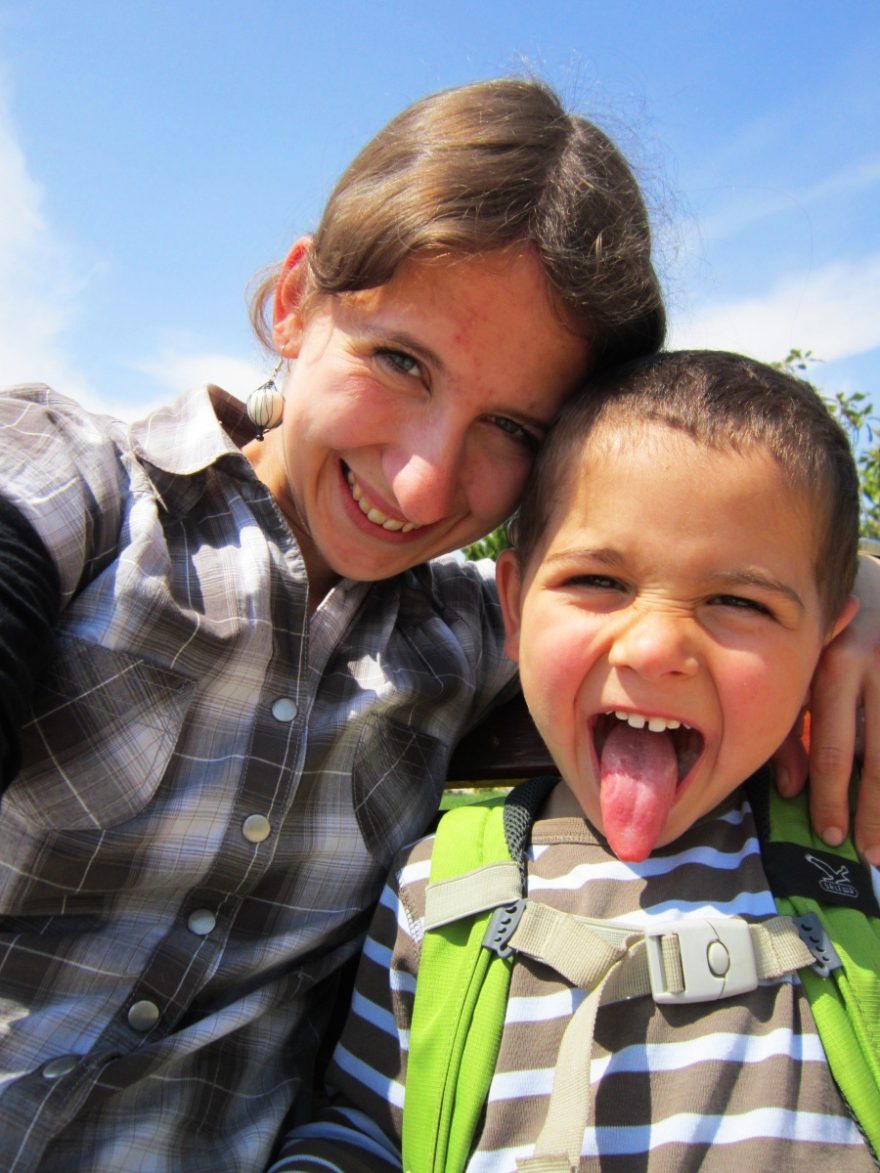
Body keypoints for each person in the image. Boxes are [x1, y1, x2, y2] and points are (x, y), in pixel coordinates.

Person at [0, 78, 875, 1170]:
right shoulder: (69, 485)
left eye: (511, 426)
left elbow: (682, 546)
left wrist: (847, 589)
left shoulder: (478, 635)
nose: (421, 483)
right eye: (400, 362)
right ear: (294, 302)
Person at [270, 350, 878, 1171]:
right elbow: (366, 1126)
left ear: (829, 648)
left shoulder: (857, 866)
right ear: (515, 607)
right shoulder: (437, 891)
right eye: (598, 580)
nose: (654, 646)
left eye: (739, 601)